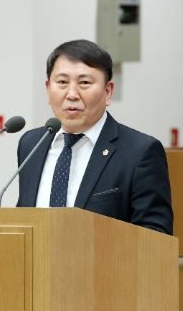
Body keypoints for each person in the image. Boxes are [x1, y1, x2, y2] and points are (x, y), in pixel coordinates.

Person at [16, 39, 173, 234]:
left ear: (108, 91)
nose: (72, 94)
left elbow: (156, 234)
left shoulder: (140, 152)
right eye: (62, 82)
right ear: (48, 89)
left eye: (84, 83)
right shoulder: (31, 144)